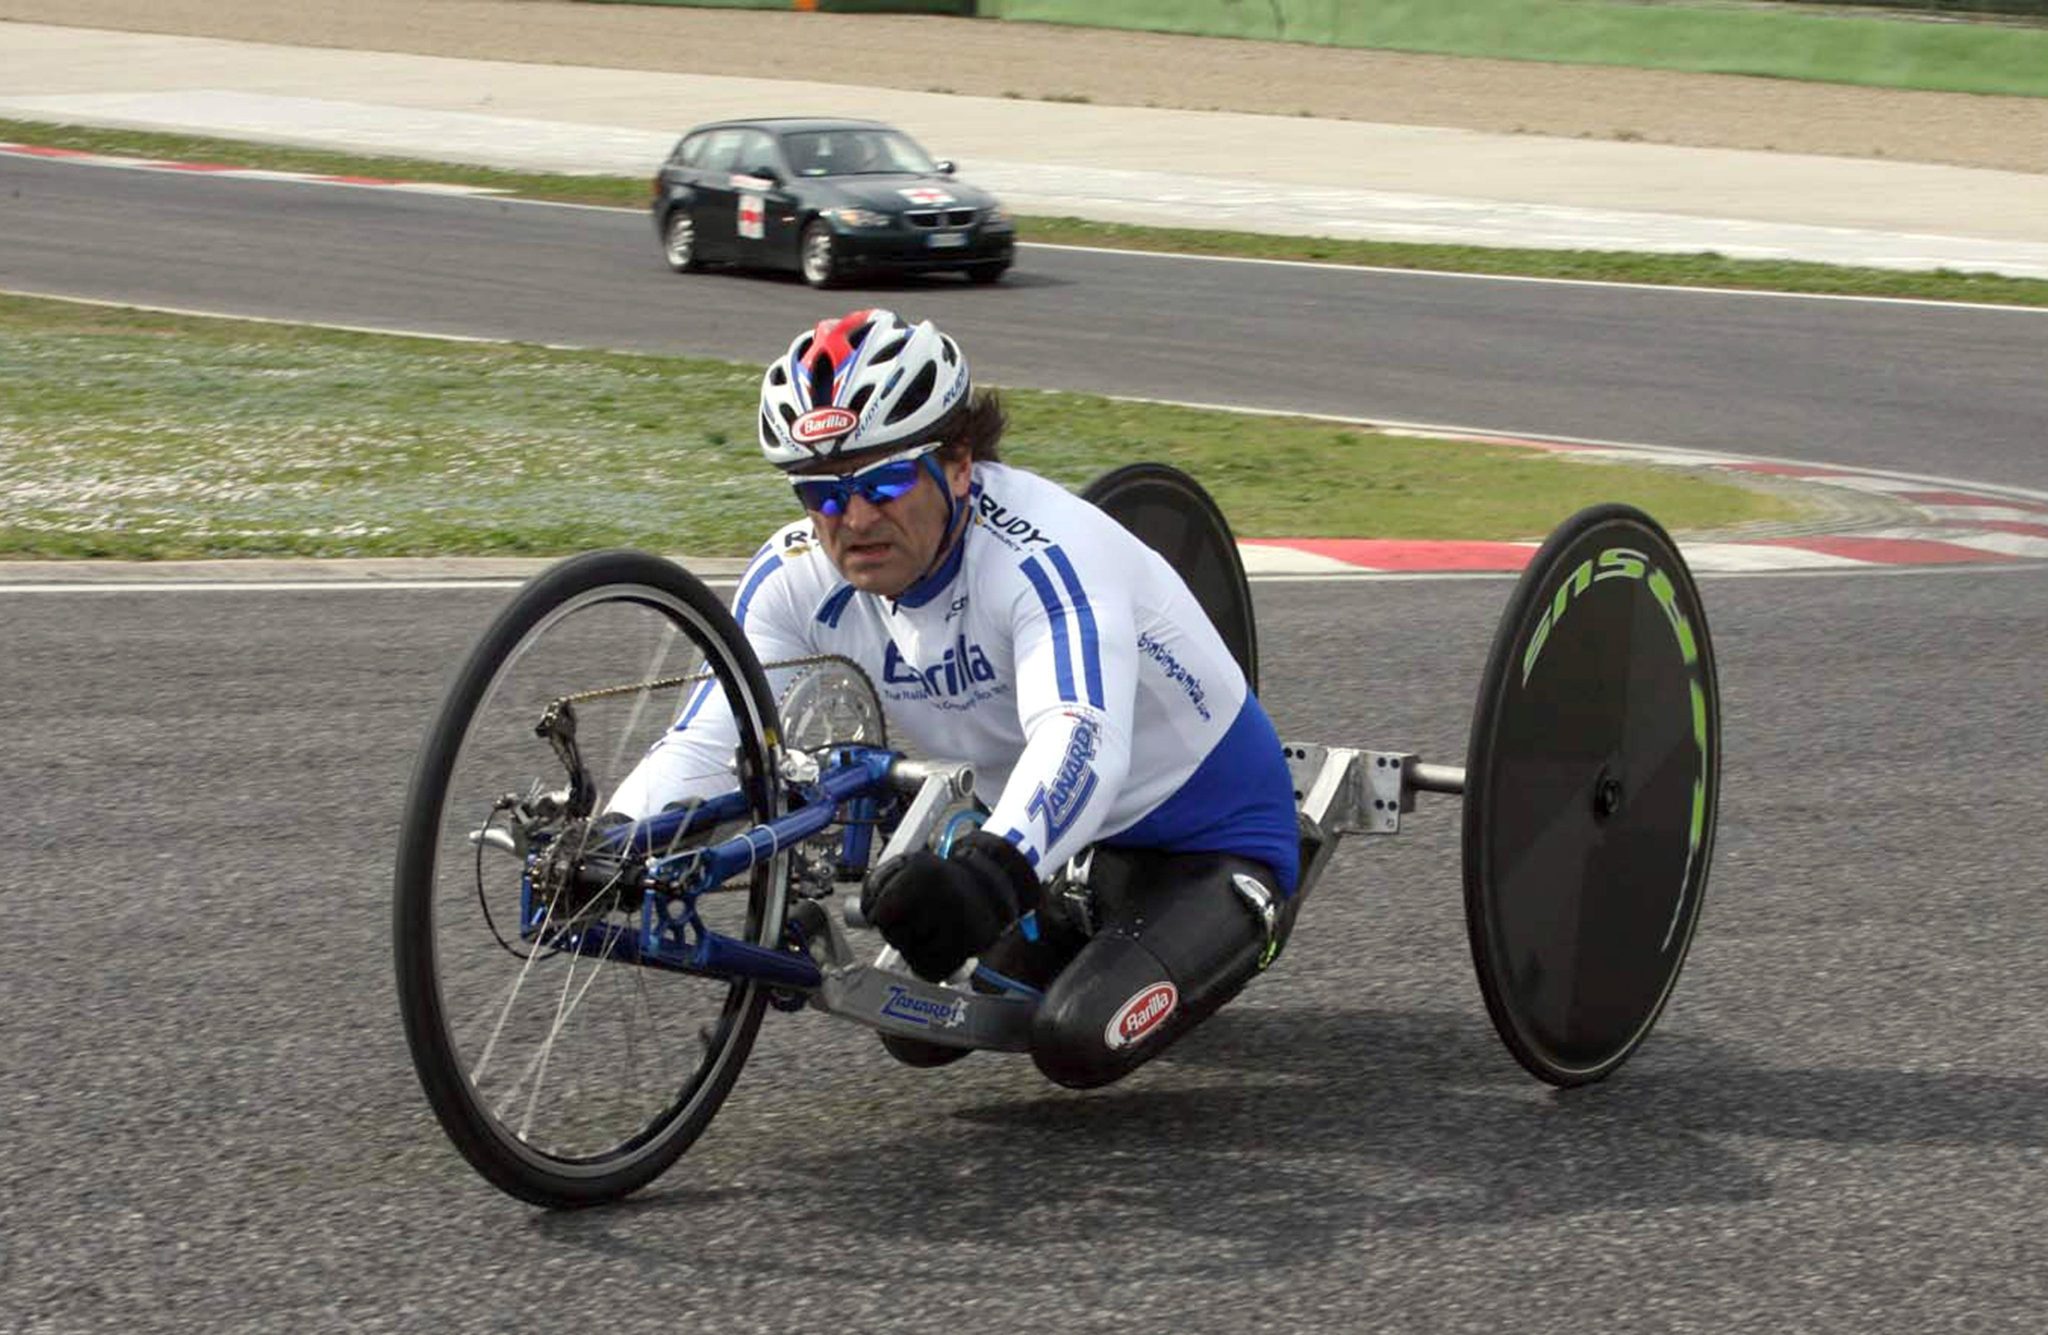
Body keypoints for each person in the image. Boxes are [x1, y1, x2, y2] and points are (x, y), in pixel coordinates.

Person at [607, 308, 1301, 1089]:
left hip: (1210, 835)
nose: (855, 519)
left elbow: (1079, 735)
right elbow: (709, 741)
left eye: (886, 480)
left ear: (960, 462)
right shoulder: (792, 579)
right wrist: (619, 836)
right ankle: (1077, 904)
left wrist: (991, 873)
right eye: (821, 493)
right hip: (1071, 850)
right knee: (918, 1026)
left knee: (1074, 1040)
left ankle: (1255, 911)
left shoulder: (1045, 555)